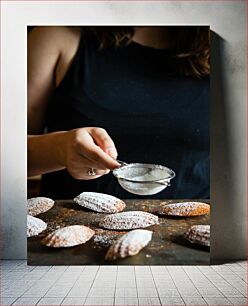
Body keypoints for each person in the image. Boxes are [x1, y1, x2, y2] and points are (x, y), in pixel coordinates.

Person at [28, 26, 210, 199]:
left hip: (197, 226)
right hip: (70, 223)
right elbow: (5, 157)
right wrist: (59, 149)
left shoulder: (227, 45)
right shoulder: (56, 37)